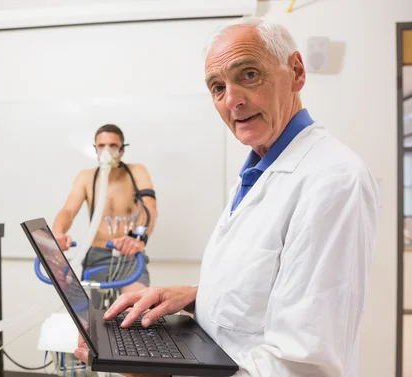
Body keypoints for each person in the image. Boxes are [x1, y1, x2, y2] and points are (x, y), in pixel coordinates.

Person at [74, 17, 381, 377]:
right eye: (217, 88)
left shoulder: (332, 180)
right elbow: (263, 290)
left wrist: (163, 374)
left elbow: (302, 364)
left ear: (296, 72)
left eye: (249, 74)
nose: (233, 100)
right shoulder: (257, 171)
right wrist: (194, 297)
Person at [52, 124, 158, 304]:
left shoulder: (136, 171)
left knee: (136, 310)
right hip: (97, 256)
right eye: (101, 146)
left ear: (122, 150)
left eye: (113, 145)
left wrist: (138, 239)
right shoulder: (86, 177)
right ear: (95, 148)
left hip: (128, 255)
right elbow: (68, 210)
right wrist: (57, 233)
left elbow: (150, 208)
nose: (106, 150)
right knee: (93, 319)